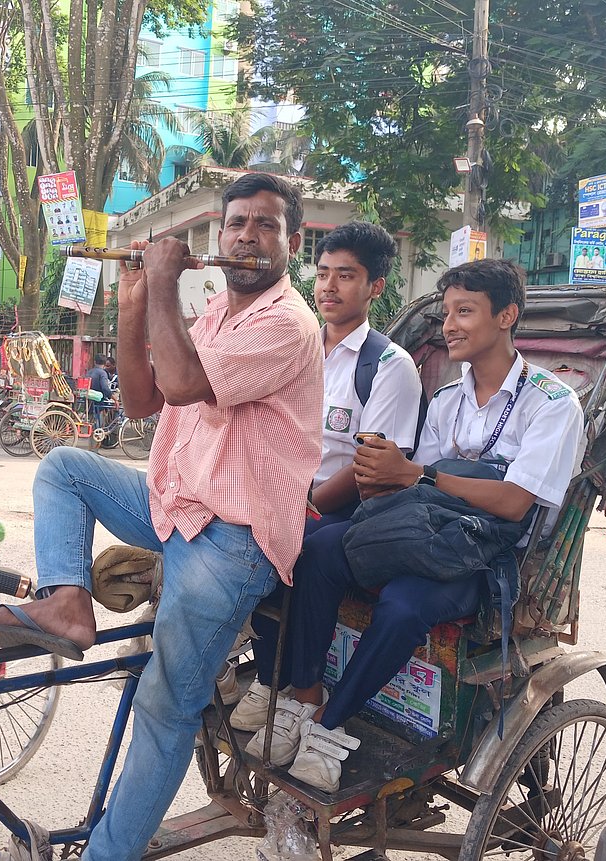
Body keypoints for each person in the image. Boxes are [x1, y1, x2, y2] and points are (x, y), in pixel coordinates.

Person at [0, 173, 323, 860]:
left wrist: (161, 281)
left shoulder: (288, 322)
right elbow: (139, 400)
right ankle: (67, 602)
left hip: (232, 544)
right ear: (219, 235)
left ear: (292, 242)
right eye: (238, 223)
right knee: (64, 467)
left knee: (165, 708)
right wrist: (133, 302)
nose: (247, 236)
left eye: (266, 226)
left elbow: (186, 383)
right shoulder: (217, 311)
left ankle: (107, 855)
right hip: (175, 508)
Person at [250, 259, 584, 793]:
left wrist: (419, 474)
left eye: (465, 312)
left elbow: (516, 502)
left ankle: (331, 726)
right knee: (317, 551)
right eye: (447, 312)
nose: (450, 325)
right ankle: (305, 695)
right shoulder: (448, 398)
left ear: (507, 316)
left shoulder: (551, 403)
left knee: (405, 603)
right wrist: (381, 475)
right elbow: (413, 490)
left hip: (482, 558)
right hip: (422, 533)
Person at [227, 220, 423, 735]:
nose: (329, 287)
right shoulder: (297, 346)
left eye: (347, 276)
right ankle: (255, 663)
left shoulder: (389, 366)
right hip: (288, 494)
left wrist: (301, 503)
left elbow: (372, 469)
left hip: (349, 507)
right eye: (322, 274)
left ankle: (300, 685)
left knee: (285, 545)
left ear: (375, 287)